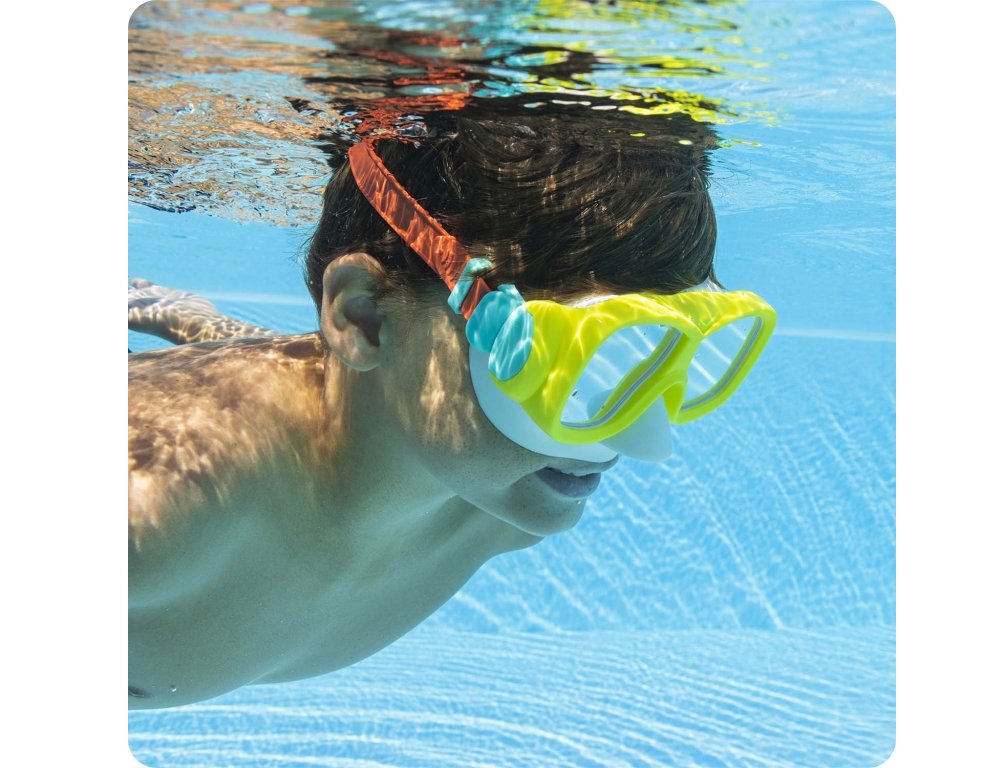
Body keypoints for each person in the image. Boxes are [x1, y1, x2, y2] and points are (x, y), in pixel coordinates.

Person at [128, 100, 775, 709]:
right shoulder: (153, 510)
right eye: (561, 361)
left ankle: (192, 318)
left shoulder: (501, 501)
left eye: (647, 358)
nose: (647, 443)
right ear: (363, 318)